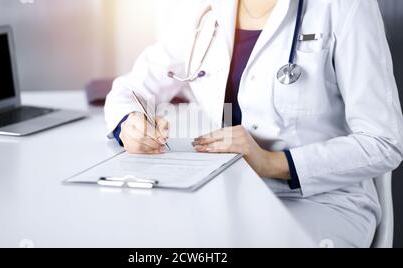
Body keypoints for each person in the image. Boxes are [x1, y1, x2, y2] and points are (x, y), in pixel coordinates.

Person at [104, 0, 403, 247]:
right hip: (224, 194)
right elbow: (130, 90)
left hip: (322, 200)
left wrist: (273, 163)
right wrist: (129, 124)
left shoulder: (345, 7)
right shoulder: (202, 10)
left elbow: (383, 142)